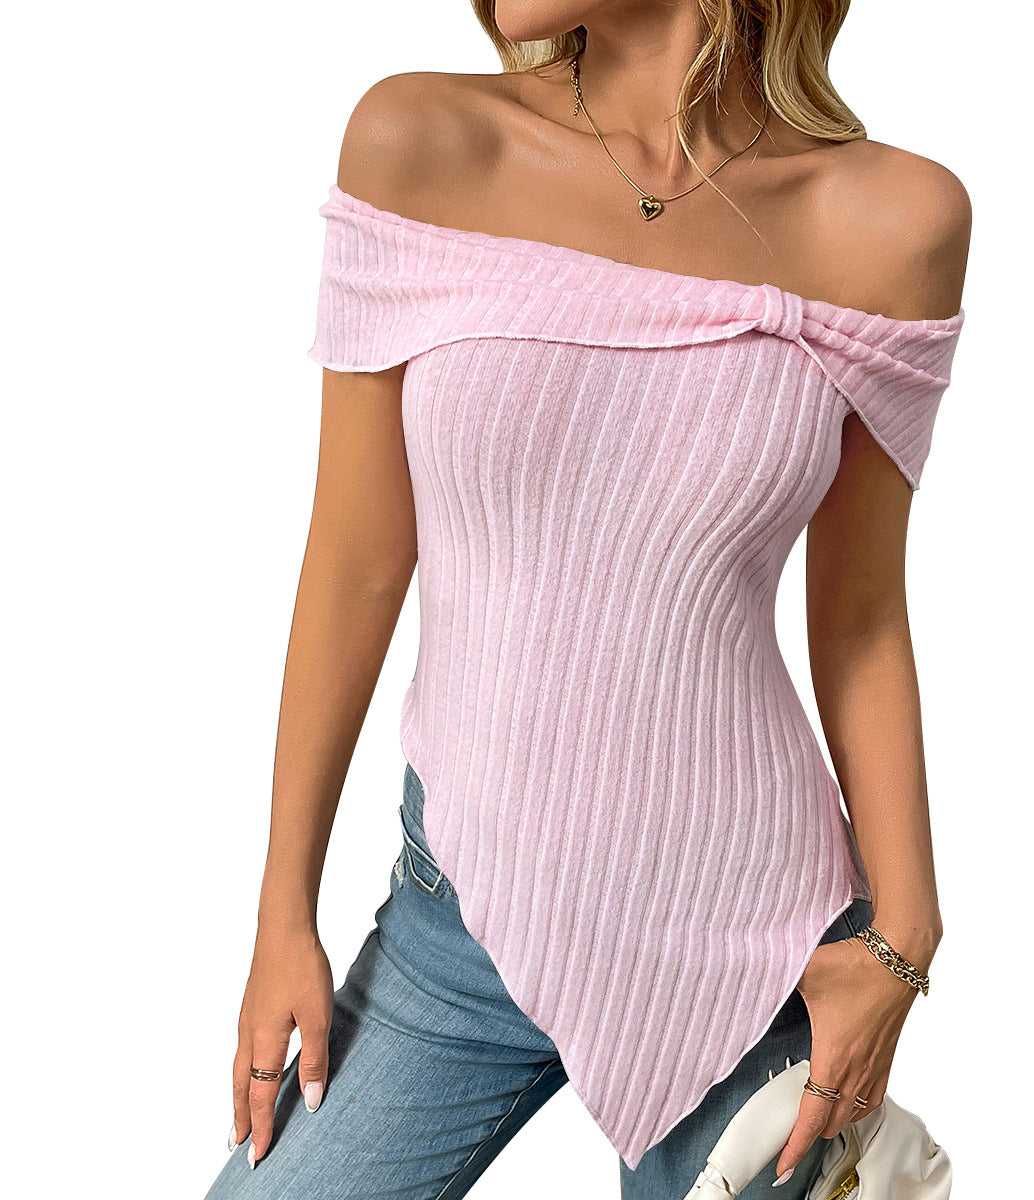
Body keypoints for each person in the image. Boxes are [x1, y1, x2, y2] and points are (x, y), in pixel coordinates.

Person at [203, 3, 971, 1197]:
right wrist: (280, 913)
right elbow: (356, 562)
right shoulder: (421, 139)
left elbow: (861, 615)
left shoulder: (892, 219)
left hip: (752, 944)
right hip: (458, 922)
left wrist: (904, 935)